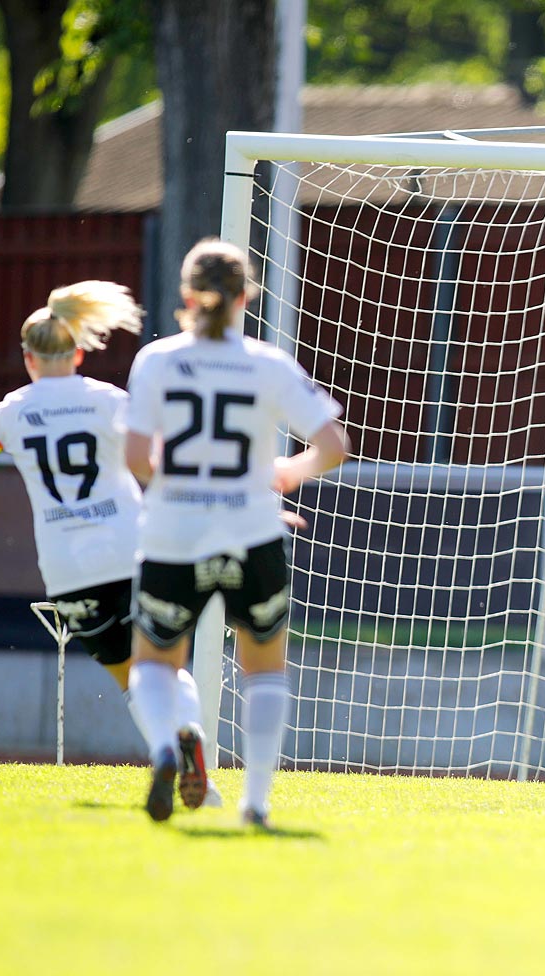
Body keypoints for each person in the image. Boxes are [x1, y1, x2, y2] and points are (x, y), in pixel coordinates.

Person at [0, 282, 218, 806]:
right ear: (76, 352)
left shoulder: (11, 413)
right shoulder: (108, 400)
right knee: (165, 666)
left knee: (130, 677)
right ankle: (186, 741)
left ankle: (165, 748)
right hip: (134, 552)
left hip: (69, 569)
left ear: (27, 358)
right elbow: (163, 461)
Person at [123, 238, 349, 829]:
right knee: (265, 668)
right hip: (253, 532)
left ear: (186, 296)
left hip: (174, 532)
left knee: (153, 663)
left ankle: (166, 749)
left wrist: (185, 481)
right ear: (246, 295)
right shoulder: (267, 364)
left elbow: (137, 458)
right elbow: (333, 445)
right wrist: (284, 475)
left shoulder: (158, 360)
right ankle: (256, 803)